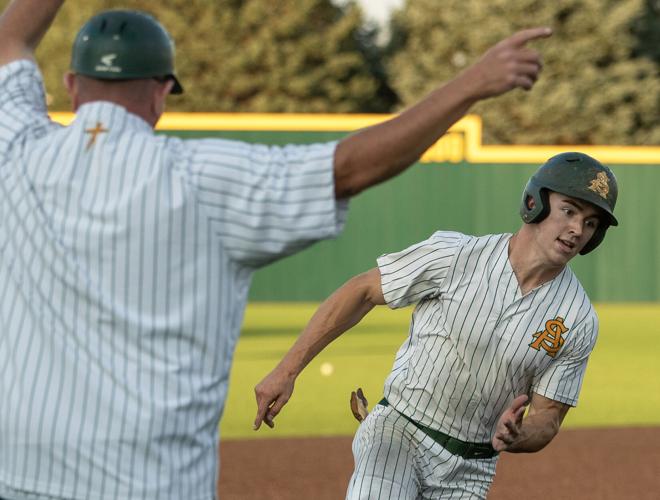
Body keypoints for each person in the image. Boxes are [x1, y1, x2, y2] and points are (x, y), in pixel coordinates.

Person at [0, 0, 550, 498]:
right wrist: (472, 83)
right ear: (162, 92)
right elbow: (353, 166)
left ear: (71, 84)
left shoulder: (14, 147)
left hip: (19, 475)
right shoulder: (202, 177)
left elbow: (10, 41)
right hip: (150, 482)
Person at [254, 152, 619, 499]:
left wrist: (520, 433)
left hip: (472, 469)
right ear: (534, 203)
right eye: (569, 211)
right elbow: (363, 291)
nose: (577, 230)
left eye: (590, 223)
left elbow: (549, 418)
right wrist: (287, 370)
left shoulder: (577, 318)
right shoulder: (455, 255)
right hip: (399, 432)